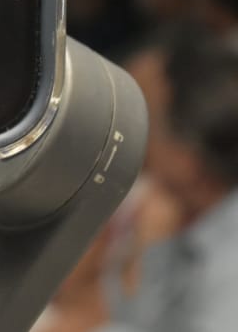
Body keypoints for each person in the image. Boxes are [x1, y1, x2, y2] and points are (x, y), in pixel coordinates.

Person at [39, 34, 238, 332]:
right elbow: (130, 316)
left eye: (152, 124)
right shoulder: (181, 215)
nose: (140, 135)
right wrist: (149, 249)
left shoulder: (227, 261)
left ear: (186, 160)